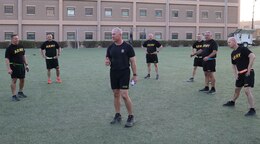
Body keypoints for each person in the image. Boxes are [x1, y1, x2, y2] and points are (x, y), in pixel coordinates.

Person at [105, 27, 137, 128]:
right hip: (113, 72)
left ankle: (131, 116)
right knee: (116, 94)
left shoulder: (128, 47)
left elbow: (133, 62)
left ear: (120, 34)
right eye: (112, 34)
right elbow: (107, 58)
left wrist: (135, 75)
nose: (112, 36)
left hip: (124, 72)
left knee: (124, 95)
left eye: (114, 34)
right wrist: (107, 61)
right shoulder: (110, 47)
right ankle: (118, 115)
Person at [223, 37, 256, 116]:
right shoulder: (233, 53)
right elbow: (233, 65)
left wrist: (248, 68)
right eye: (228, 42)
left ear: (234, 42)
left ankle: (252, 109)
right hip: (240, 74)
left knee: (247, 91)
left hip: (248, 72)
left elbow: (252, 56)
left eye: (229, 42)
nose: (228, 44)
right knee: (237, 90)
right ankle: (232, 102)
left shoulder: (243, 49)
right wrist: (235, 74)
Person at [5, 34, 29, 101]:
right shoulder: (9, 48)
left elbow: (23, 55)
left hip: (22, 66)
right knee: (14, 80)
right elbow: (7, 59)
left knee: (22, 79)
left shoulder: (21, 46)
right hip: (14, 66)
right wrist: (9, 68)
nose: (17, 39)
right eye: (15, 38)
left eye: (17, 38)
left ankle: (20, 92)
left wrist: (26, 65)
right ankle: (14, 95)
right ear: (12, 39)